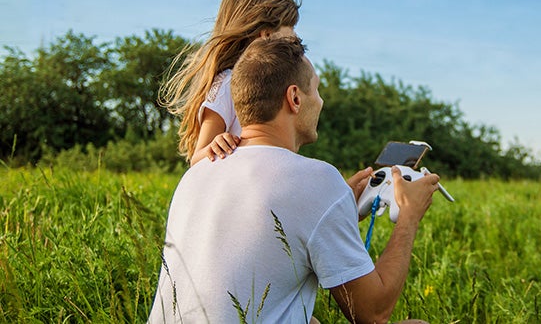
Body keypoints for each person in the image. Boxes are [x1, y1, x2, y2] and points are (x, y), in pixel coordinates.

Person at [149, 37, 438, 324]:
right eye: (317, 89)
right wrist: (408, 217)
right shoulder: (318, 180)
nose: (321, 101)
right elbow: (373, 313)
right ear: (295, 98)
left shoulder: (198, 172)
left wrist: (340, 208)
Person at [160, 0, 301, 166]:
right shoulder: (227, 83)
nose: (296, 37)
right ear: (266, 35)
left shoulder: (271, 87)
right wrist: (215, 146)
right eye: (290, 28)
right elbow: (197, 160)